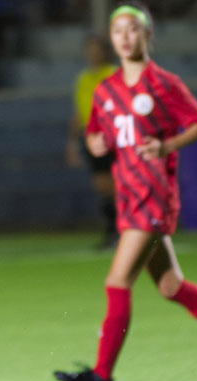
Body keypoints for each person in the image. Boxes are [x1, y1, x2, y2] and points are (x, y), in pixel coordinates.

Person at [54, 2, 197, 381]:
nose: (125, 37)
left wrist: (167, 145)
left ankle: (102, 376)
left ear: (148, 35)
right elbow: (99, 135)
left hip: (153, 197)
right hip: (128, 197)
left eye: (133, 30)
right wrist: (96, 142)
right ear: (112, 40)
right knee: (171, 287)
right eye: (118, 32)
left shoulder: (164, 83)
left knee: (117, 282)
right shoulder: (106, 89)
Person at [65, 33, 117, 249]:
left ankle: (124, 231)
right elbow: (80, 111)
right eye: (89, 50)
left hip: (111, 135)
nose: (92, 54)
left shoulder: (114, 74)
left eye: (96, 49)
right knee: (101, 185)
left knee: (115, 184)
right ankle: (113, 231)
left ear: (105, 52)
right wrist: (71, 141)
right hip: (91, 136)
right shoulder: (83, 79)